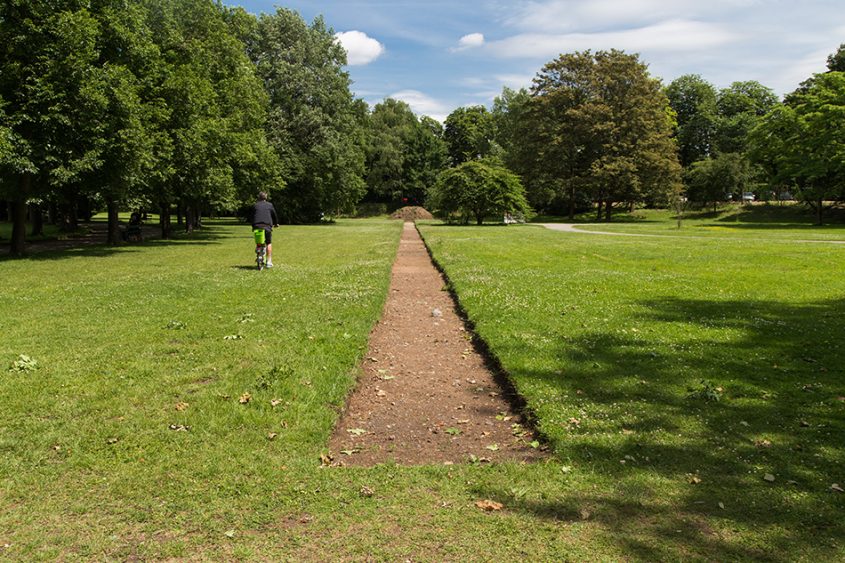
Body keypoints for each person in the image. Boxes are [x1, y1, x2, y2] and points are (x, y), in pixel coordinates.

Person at [251, 191, 278, 267]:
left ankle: (258, 250)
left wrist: (253, 226)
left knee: (259, 240)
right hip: (267, 226)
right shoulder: (270, 205)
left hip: (257, 226)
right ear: (266, 197)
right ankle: (269, 261)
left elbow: (252, 216)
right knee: (268, 243)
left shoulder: (255, 205)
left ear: (258, 197)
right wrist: (276, 223)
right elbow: (274, 215)